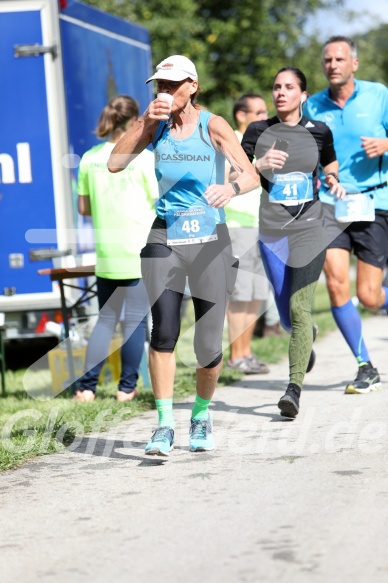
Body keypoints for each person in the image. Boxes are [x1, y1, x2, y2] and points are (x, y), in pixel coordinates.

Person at [108, 55, 260, 454]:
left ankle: (200, 413)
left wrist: (231, 189)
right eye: (160, 84)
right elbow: (114, 164)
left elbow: (250, 174)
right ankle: (163, 425)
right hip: (165, 236)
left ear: (192, 86)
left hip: (210, 239)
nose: (165, 91)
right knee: (165, 332)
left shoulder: (213, 125)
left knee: (209, 344)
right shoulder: (154, 126)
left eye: (173, 84)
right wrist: (142, 121)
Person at [240, 67, 345, 417]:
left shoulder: (319, 130)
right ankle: (305, 334)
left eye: (289, 87)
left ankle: (293, 391)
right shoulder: (258, 130)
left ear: (303, 94)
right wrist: (260, 163)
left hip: (311, 229)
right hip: (272, 233)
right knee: (287, 316)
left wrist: (332, 179)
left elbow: (330, 164)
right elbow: (237, 175)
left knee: (300, 309)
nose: (281, 92)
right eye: (276, 87)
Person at [304, 36, 388, 394]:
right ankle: (364, 365)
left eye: (340, 59)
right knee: (337, 283)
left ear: (354, 63)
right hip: (330, 205)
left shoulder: (379, 94)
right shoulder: (312, 107)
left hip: (374, 202)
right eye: (327, 60)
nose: (333, 64)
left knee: (369, 296)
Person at [74, 95, 158, 402]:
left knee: (106, 320)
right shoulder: (146, 158)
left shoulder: (89, 158)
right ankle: (126, 389)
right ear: (138, 121)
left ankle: (86, 388)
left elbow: (84, 207)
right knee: (134, 320)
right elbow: (159, 201)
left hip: (107, 251)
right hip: (137, 248)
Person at [225, 94, 270, 374]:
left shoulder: (265, 142)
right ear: (241, 116)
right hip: (237, 226)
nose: (265, 117)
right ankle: (235, 356)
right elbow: (227, 175)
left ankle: (247, 353)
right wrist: (257, 166)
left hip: (261, 224)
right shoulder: (230, 140)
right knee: (240, 294)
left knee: (256, 293)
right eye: (259, 112)